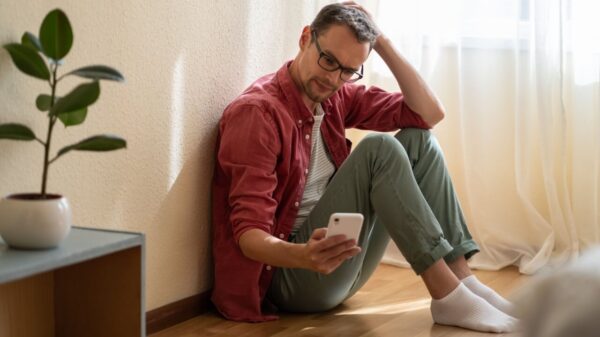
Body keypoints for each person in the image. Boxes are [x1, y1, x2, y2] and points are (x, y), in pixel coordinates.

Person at [211, 2, 518, 333]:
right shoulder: (258, 114)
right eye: (328, 60)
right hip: (288, 278)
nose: (332, 78)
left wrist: (380, 40)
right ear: (305, 39)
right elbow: (248, 236)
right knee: (378, 148)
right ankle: (447, 295)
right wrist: (303, 256)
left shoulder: (334, 96)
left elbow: (429, 114)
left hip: (339, 264)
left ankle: (462, 282)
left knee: (418, 139)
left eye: (347, 71)